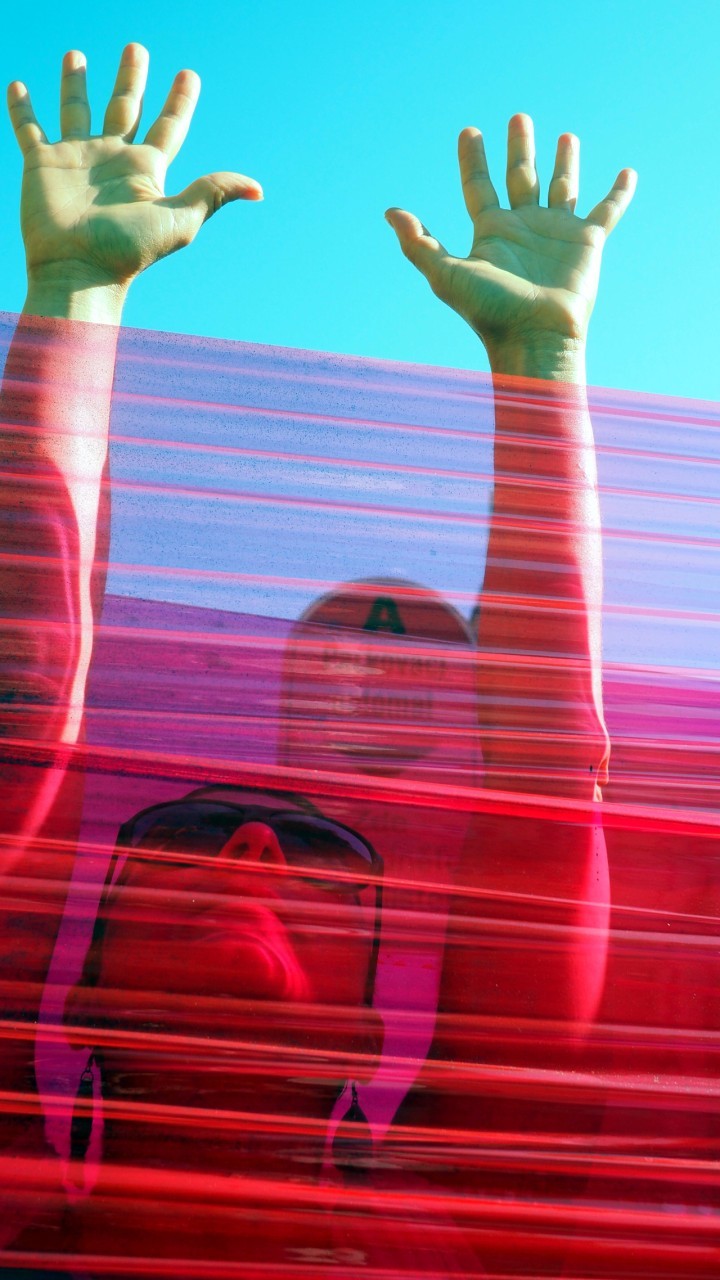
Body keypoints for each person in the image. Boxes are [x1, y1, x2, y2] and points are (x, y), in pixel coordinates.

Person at [0, 42, 635, 1273]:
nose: (252, 845)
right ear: (70, 998)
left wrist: (548, 363)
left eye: (326, 854)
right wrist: (72, 288)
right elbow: (24, 701)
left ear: (366, 1034)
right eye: (184, 832)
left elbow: (554, 784)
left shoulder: (461, 1233)